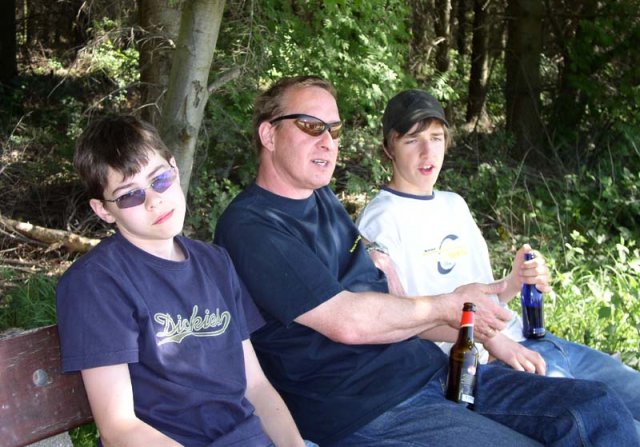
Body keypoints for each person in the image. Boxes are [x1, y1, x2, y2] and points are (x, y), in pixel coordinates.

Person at [214, 75, 640, 446]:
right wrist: (447, 305)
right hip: (364, 407)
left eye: (335, 129)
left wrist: (474, 321)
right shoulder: (252, 226)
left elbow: (393, 306)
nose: (328, 141)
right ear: (269, 135)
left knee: (594, 407)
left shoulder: (321, 200)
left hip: (434, 372)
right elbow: (347, 320)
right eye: (311, 126)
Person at [356, 88, 640, 436]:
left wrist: (515, 282)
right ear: (389, 148)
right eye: (413, 140)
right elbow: (396, 319)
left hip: (531, 340)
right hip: (486, 366)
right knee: (618, 427)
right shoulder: (380, 221)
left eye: (436, 137)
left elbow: (486, 298)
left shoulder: (453, 204)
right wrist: (490, 339)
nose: (428, 152)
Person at [56, 116, 314, 447]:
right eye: (130, 195)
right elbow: (119, 427)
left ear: (175, 169)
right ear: (104, 210)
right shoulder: (97, 283)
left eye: (160, 179)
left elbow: (256, 386)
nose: (154, 200)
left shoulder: (215, 263)